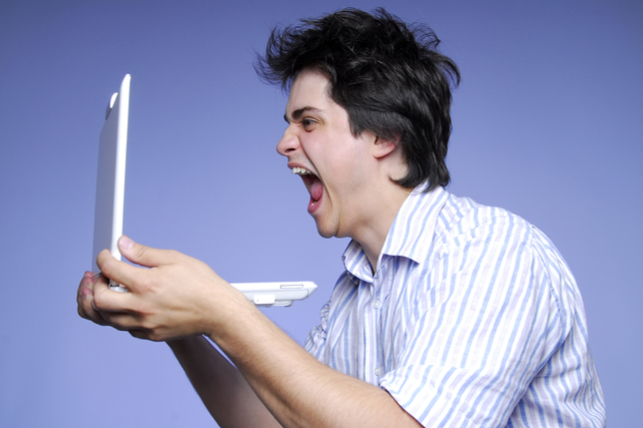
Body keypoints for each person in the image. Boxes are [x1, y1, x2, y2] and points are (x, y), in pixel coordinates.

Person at [77, 8, 606, 427]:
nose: (284, 143)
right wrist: (180, 327)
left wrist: (224, 311)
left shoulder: (495, 255)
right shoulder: (354, 294)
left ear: (384, 137)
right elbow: (286, 420)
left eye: (308, 121)